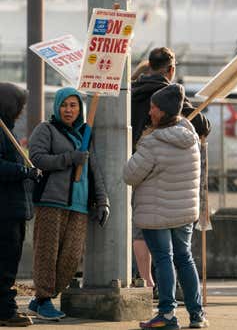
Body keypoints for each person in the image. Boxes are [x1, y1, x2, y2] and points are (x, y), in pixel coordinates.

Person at [124, 84, 208, 329]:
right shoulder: (190, 136)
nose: (150, 112)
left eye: (153, 108)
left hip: (156, 212)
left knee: (163, 260)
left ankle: (167, 315)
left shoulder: (153, 142)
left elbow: (129, 174)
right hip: (184, 212)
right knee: (185, 259)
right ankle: (197, 315)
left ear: (163, 112)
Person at [131, 47, 210, 292]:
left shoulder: (130, 92)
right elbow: (203, 125)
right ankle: (185, 304)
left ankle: (144, 282)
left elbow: (128, 174)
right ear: (171, 69)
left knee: (141, 233)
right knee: (178, 253)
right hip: (171, 183)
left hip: (138, 168)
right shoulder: (170, 96)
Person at [27, 87, 110, 320]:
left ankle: (40, 300)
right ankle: (44, 300)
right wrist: (68, 159)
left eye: (73, 105)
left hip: (80, 206)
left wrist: (103, 201)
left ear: (80, 109)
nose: (68, 110)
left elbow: (95, 170)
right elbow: (37, 157)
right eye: (64, 105)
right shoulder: (46, 129)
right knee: (47, 253)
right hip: (51, 202)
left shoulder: (85, 133)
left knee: (71, 258)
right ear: (57, 107)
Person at [0, 83, 41, 327]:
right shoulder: (1, 130)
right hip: (5, 210)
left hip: (12, 208)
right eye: (20, 106)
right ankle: (5, 310)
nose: (22, 111)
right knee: (5, 263)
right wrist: (24, 171)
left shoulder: (8, 130)